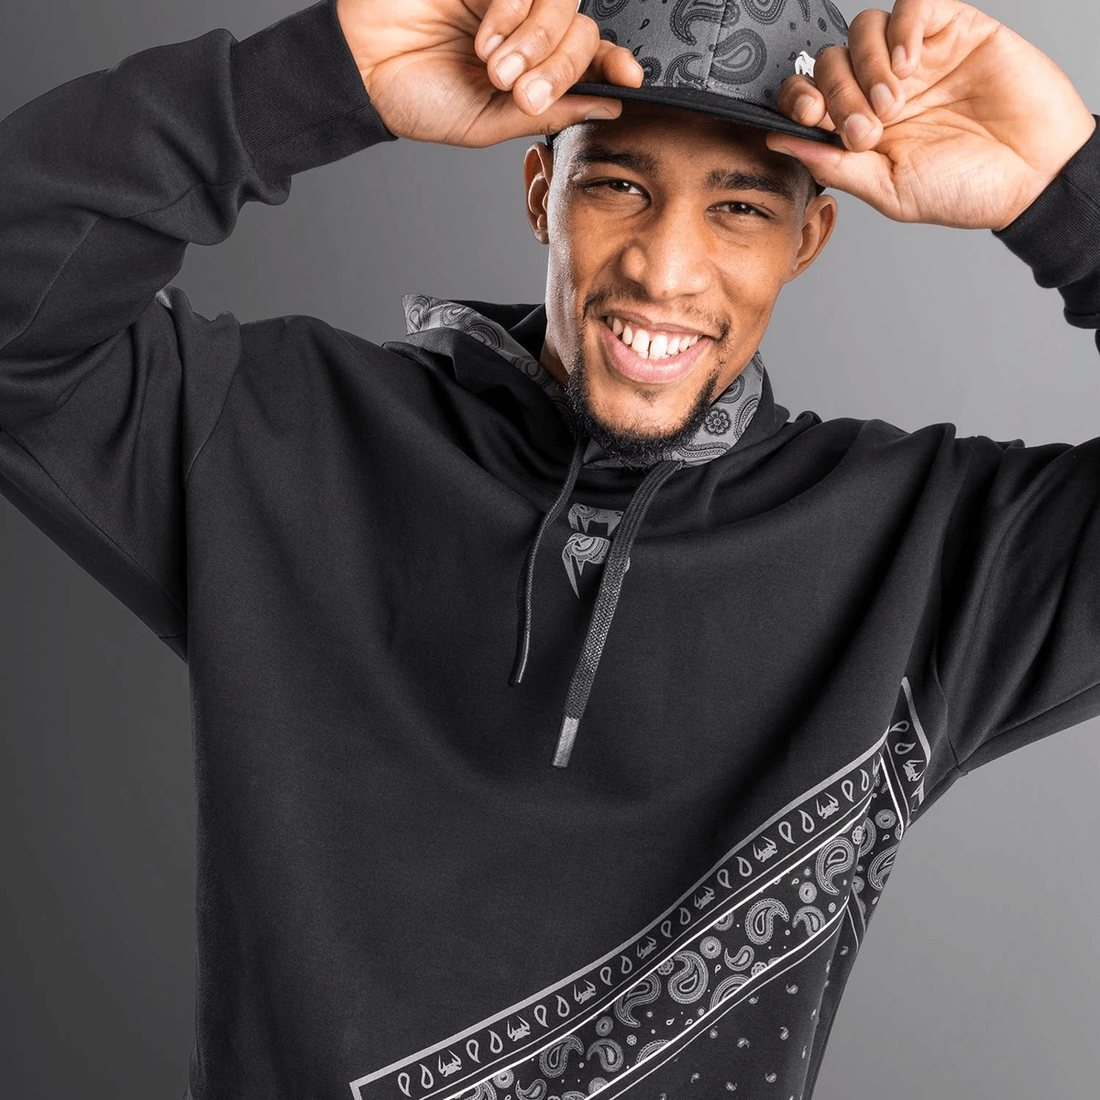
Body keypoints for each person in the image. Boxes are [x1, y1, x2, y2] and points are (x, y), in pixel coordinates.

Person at [1, 0, 1097, 1096]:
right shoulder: (281, 440)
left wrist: (1065, 190)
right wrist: (310, 78)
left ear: (805, 241)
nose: (665, 271)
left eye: (740, 207)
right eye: (617, 186)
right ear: (542, 194)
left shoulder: (923, 552)